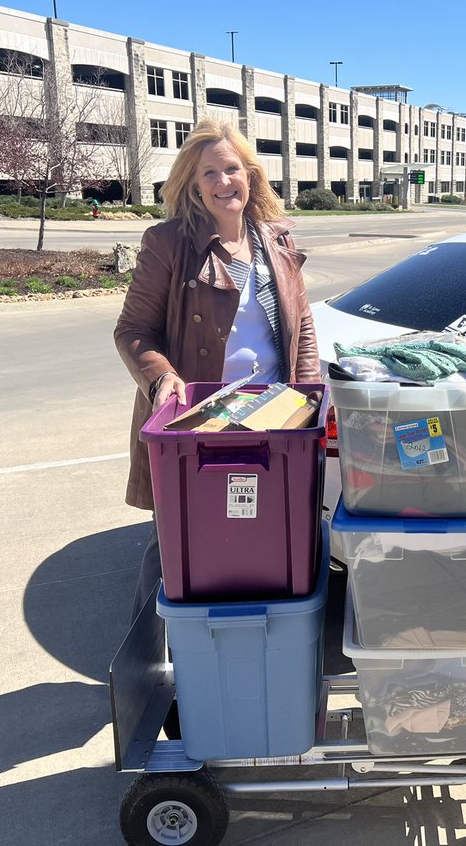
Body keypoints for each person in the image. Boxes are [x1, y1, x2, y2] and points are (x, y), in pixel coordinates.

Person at [114, 120, 321, 618]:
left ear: (250, 176)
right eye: (210, 172)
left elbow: (303, 324)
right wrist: (162, 377)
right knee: (180, 538)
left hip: (274, 415)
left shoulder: (276, 239)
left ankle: (260, 639)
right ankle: (159, 648)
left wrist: (312, 398)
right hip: (199, 419)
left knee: (261, 533)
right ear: (192, 182)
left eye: (232, 169)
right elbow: (134, 331)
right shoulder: (168, 243)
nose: (223, 181)